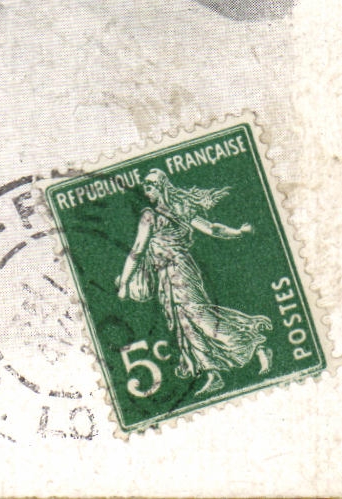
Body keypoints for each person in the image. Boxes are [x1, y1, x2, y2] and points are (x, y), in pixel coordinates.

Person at [116, 169, 274, 395]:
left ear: (162, 186)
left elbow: (210, 229)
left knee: (200, 317)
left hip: (180, 271)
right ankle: (212, 373)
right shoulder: (168, 211)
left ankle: (256, 345)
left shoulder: (160, 214)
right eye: (145, 185)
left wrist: (238, 232)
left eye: (150, 185)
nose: (146, 189)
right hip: (165, 277)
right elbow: (138, 250)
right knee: (184, 324)